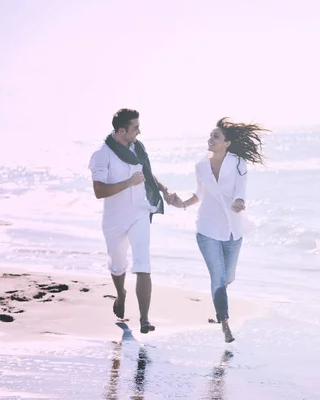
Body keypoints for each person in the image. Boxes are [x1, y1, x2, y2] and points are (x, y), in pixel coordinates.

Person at [165, 117, 266, 343]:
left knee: (228, 277)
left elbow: (241, 190)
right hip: (207, 228)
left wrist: (239, 202)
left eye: (216, 136)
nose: (210, 139)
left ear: (226, 143)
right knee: (218, 279)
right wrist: (180, 203)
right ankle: (225, 324)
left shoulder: (238, 163)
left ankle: (220, 304)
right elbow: (199, 195)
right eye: (210, 136)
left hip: (233, 229)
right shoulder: (200, 166)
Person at [88, 108, 169, 334]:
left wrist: (163, 189)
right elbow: (99, 191)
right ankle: (120, 293)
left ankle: (144, 319)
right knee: (118, 264)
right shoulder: (102, 154)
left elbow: (146, 174)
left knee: (142, 263)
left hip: (139, 213)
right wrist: (128, 182)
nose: (139, 131)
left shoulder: (137, 148)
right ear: (122, 130)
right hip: (114, 219)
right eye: (135, 128)